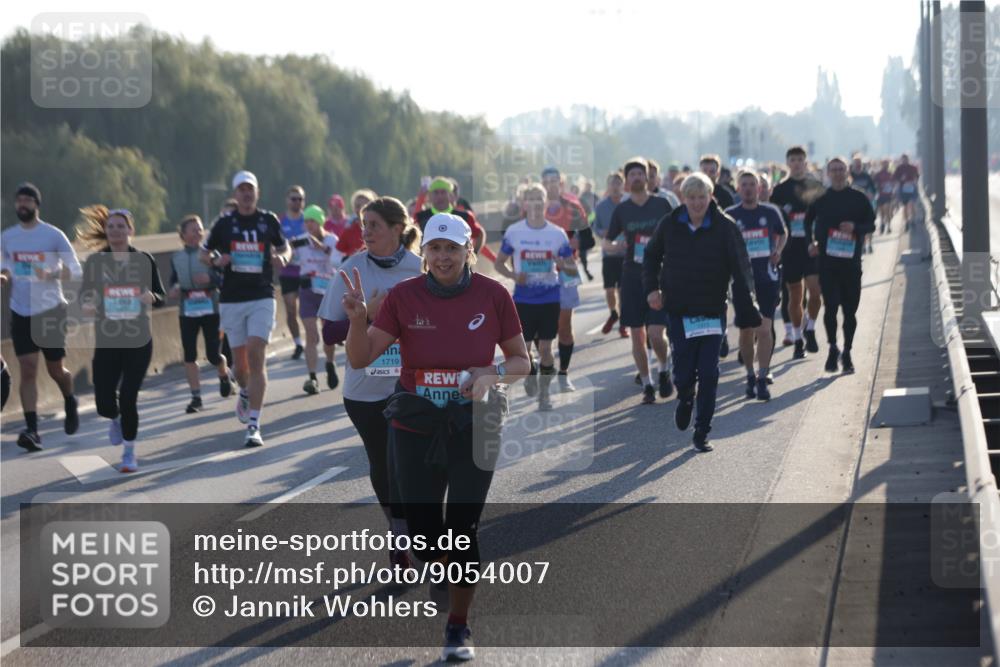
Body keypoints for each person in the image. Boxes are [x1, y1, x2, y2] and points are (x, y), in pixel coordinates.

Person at [342, 212, 530, 662]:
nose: (443, 257)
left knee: (461, 530)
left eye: (452, 248)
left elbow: (523, 362)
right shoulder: (404, 298)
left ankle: (458, 626)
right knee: (426, 536)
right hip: (415, 421)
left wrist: (492, 371)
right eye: (435, 249)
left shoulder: (494, 294)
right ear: (423, 254)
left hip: (476, 420)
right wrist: (356, 319)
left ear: (469, 251)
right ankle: (444, 572)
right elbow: (361, 358)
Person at [318, 196, 423, 570]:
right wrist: (367, 315)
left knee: (415, 465)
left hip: (414, 385)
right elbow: (329, 331)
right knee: (385, 463)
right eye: (363, 225)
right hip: (365, 389)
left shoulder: (420, 268)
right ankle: (399, 532)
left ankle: (417, 527)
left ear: (398, 228)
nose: (366, 232)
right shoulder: (351, 269)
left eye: (374, 225)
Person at [643, 173, 761, 452]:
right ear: (684, 199)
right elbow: (650, 255)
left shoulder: (725, 226)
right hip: (679, 309)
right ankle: (685, 397)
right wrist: (651, 289)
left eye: (702, 197)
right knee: (684, 373)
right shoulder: (671, 224)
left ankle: (702, 431)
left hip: (711, 310)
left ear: (710, 197)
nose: (697, 203)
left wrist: (747, 306)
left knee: (708, 371)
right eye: (691, 198)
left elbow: (741, 269)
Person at [201, 170, 290, 448]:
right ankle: (244, 391)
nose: (246, 193)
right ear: (235, 194)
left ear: (257, 192)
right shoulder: (224, 224)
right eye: (241, 189)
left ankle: (254, 425)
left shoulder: (268, 220)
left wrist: (282, 258)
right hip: (231, 298)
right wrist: (217, 259)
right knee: (240, 367)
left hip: (262, 295)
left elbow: (285, 247)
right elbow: (204, 254)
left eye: (250, 189)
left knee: (256, 353)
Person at [77, 206, 166, 472]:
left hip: (138, 340)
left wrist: (152, 298)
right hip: (107, 340)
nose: (115, 231)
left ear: (131, 230)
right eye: (111, 226)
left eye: (121, 226)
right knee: (105, 403)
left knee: (128, 397)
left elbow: (160, 296)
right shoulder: (96, 262)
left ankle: (129, 453)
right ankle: (114, 418)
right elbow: (84, 296)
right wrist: (89, 303)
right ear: (106, 231)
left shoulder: (144, 259)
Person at [1, 182, 82, 452]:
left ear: (37, 205)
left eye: (27, 200)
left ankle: (69, 398)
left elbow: (75, 269)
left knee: (55, 369)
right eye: (19, 201)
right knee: (27, 369)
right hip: (20, 310)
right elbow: (5, 268)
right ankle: (32, 430)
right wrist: (2, 277)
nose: (22, 205)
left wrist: (53, 274)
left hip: (50, 309)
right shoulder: (7, 237)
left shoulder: (52, 235)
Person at [495, 183, 578, 410]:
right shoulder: (515, 232)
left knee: (545, 348)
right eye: (530, 199)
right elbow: (498, 263)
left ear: (546, 203)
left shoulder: (556, 233)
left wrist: (563, 264)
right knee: (525, 348)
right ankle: (530, 371)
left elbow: (572, 268)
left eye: (539, 199)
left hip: (549, 297)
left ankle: (544, 394)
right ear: (524, 204)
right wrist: (514, 275)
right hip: (523, 298)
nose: (535, 204)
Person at [605, 157, 674, 404]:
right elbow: (607, 241)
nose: (636, 178)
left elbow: (676, 235)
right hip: (632, 276)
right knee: (637, 335)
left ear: (648, 178)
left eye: (640, 174)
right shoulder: (622, 210)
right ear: (626, 181)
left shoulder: (662, 204)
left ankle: (664, 368)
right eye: (631, 175)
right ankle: (647, 384)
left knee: (656, 333)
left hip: (658, 276)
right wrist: (616, 245)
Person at [807, 157, 877, 374]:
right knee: (830, 307)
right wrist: (811, 243)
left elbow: (871, 224)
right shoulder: (820, 197)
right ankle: (832, 348)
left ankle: (847, 352)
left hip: (851, 263)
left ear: (848, 172)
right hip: (827, 262)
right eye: (833, 170)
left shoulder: (858, 198)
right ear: (828, 173)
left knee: (850, 311)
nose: (837, 173)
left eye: (841, 169)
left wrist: (855, 227)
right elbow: (807, 221)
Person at [726, 171, 787, 401]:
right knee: (746, 332)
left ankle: (762, 377)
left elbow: (783, 233)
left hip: (767, 279)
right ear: (738, 189)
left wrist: (778, 251)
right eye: (745, 185)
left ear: (760, 189)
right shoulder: (730, 215)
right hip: (742, 282)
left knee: (764, 329)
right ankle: (750, 374)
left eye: (753, 184)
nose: (749, 188)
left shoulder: (770, 212)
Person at [168, 214, 233, 413]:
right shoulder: (176, 257)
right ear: (183, 234)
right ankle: (196, 397)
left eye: (200, 229)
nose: (198, 232)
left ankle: (223, 374)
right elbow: (172, 282)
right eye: (193, 229)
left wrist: (210, 277)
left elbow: (224, 277)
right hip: (187, 310)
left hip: (210, 308)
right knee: (189, 355)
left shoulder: (209, 254)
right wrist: (174, 289)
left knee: (214, 355)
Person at [771, 145, 825, 359]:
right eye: (792, 159)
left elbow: (824, 217)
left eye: (800, 159)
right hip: (790, 249)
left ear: (805, 161)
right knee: (795, 296)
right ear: (788, 163)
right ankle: (797, 339)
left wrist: (820, 240)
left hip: (811, 247)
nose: (796, 163)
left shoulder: (815, 186)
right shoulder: (780, 190)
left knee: (816, 292)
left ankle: (810, 327)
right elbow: (774, 222)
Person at [542, 166, 589, 390]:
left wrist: (578, 243)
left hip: (567, 270)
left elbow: (589, 238)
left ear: (561, 183)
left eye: (555, 181)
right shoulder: (533, 207)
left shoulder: (572, 207)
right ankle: (544, 366)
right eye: (547, 181)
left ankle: (563, 373)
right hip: (539, 272)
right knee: (541, 327)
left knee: (564, 326)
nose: (551, 184)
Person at [298, 205, 344, 394]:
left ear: (320, 222)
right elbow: (288, 256)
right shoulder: (300, 241)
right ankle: (312, 377)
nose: (309, 225)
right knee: (310, 335)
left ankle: (330, 364)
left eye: (313, 221)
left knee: (327, 335)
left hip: (327, 291)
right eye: (306, 221)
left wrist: (323, 248)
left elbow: (340, 260)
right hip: (307, 290)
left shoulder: (332, 240)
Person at [592, 170, 629, 338]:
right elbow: (595, 226)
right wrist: (603, 233)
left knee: (622, 290)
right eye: (612, 183)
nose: (615, 187)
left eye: (618, 183)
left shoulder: (628, 204)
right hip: (608, 254)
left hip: (625, 253)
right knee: (609, 289)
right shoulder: (601, 206)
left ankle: (623, 323)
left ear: (623, 185)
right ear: (608, 186)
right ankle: (614, 313)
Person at [414, 177, 486, 254]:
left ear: (450, 195)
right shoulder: (420, 217)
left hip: (460, 264)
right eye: (436, 192)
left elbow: (480, 234)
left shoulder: (464, 216)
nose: (440, 196)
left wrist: (474, 253)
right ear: (430, 196)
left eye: (443, 192)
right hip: (431, 264)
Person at [279, 185, 308, 360]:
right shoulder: (280, 221)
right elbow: (274, 244)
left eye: (300, 199)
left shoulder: (309, 220)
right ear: (287, 200)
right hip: (288, 271)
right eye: (293, 199)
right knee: (291, 309)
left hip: (308, 270)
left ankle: (314, 335)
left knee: (310, 309)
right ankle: (298, 343)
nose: (297, 202)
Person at [336, 189, 377, 259]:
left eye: (365, 206)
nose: (361, 209)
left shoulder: (379, 229)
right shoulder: (350, 229)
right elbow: (339, 249)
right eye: (358, 206)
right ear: (354, 208)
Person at [849, 155, 878, 254]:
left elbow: (873, 189)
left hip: (867, 204)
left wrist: (871, 194)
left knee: (868, 225)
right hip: (854, 206)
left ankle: (869, 244)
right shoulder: (849, 176)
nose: (858, 166)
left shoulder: (866, 176)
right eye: (856, 164)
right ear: (852, 165)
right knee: (859, 227)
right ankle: (862, 246)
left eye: (859, 164)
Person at [894, 153, 920, 231]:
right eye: (903, 159)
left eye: (906, 159)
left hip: (911, 189)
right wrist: (900, 180)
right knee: (905, 207)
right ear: (902, 160)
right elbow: (895, 178)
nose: (905, 161)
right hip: (903, 190)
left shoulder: (913, 168)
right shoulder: (899, 168)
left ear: (908, 159)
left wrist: (914, 182)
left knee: (911, 204)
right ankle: (907, 222)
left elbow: (917, 177)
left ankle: (913, 219)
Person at [874, 159, 896, 234]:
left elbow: (894, 184)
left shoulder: (890, 174)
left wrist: (893, 190)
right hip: (881, 195)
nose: (885, 165)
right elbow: (875, 184)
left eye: (887, 164)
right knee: (882, 212)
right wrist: (879, 186)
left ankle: (889, 226)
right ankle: (882, 224)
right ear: (882, 165)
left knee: (888, 211)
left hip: (888, 195)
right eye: (884, 164)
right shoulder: (878, 174)